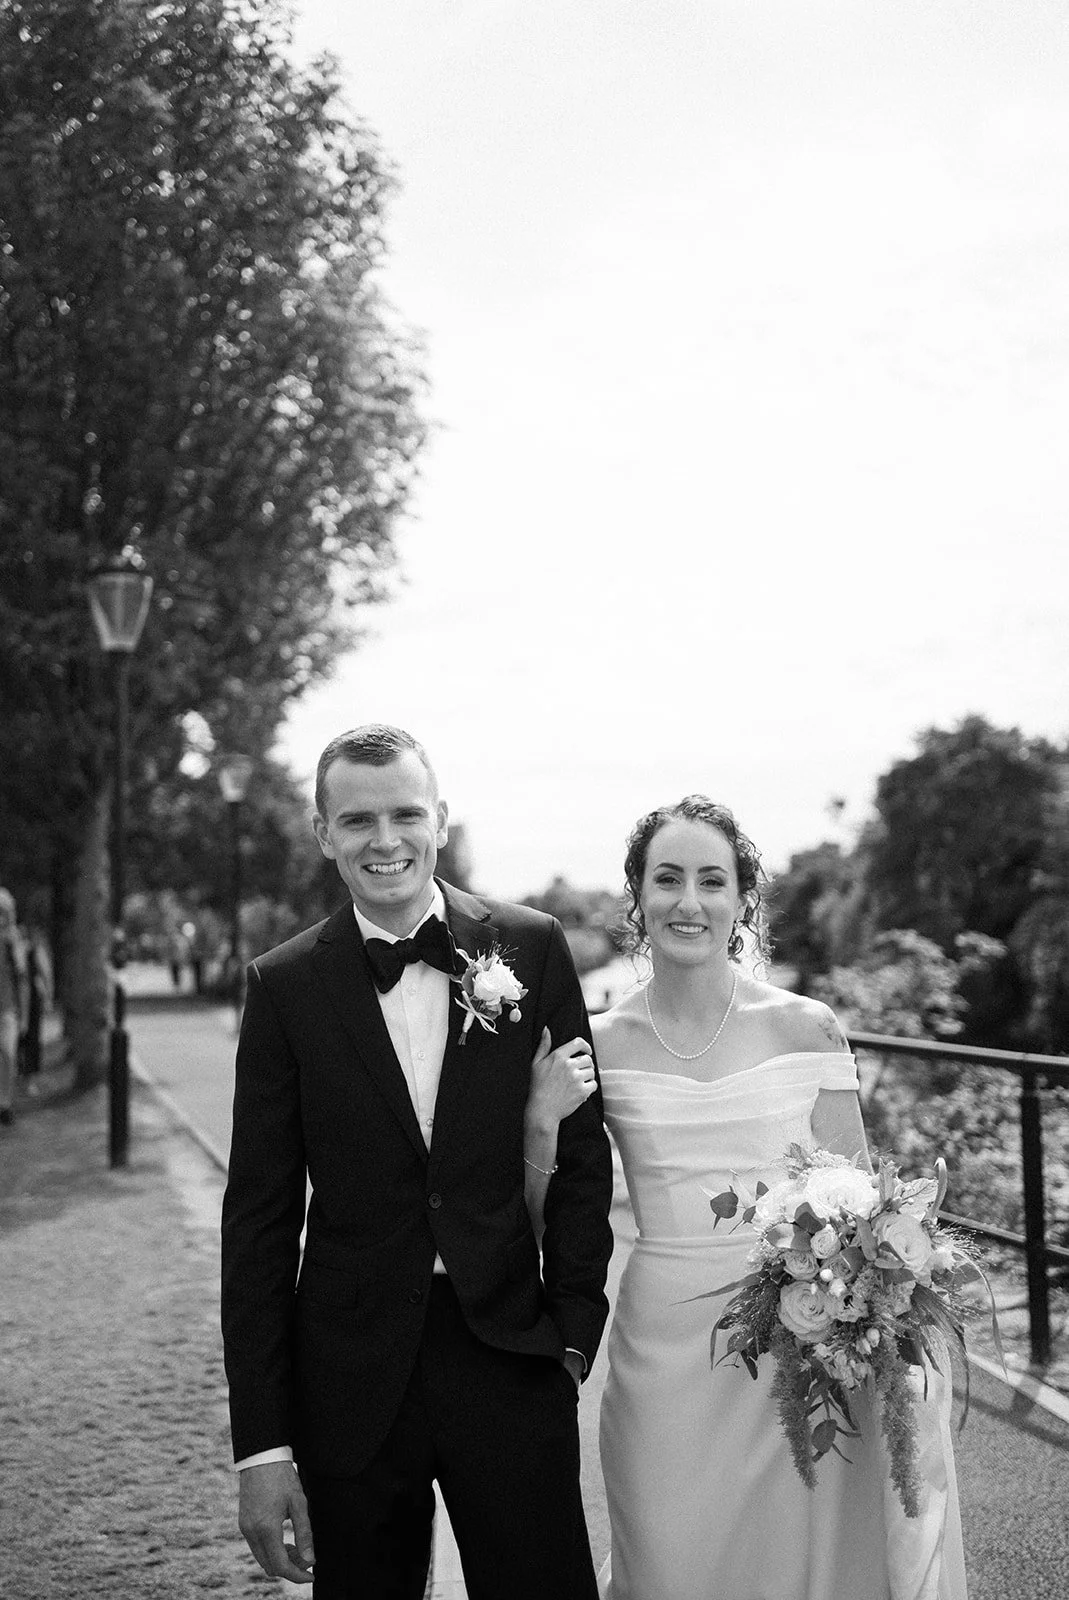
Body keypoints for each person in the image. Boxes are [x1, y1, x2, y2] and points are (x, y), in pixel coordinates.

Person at [526, 796, 968, 1600]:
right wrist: (538, 1122)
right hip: (664, 1348)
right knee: (668, 1557)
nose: (686, 902)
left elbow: (861, 1193)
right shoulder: (597, 1043)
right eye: (666, 879)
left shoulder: (807, 1028)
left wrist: (859, 1296)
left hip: (804, 1340)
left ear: (741, 902)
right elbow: (556, 1205)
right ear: (636, 897)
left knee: (807, 1561)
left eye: (709, 881)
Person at [220, 724, 615, 1600]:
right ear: (324, 833)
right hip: (349, 1379)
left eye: (406, 813)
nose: (385, 840)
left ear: (440, 818)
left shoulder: (531, 946)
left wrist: (574, 1336)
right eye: (357, 820)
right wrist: (263, 1445)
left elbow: (584, 1158)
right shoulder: (282, 987)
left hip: (511, 1357)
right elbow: (258, 1221)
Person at [0, 889, 28, 1127]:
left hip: (6, 1008)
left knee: (8, 1053)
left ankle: (5, 1103)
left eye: (5, 913)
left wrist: (24, 1015)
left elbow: (22, 980)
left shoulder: (13, 941)